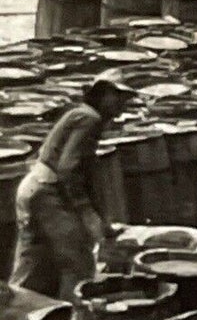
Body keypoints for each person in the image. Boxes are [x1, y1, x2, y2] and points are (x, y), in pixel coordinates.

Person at [11, 72, 136, 300]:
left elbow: (82, 175)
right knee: (79, 262)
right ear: (100, 95)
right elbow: (69, 170)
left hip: (32, 188)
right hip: (46, 192)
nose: (122, 104)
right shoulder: (89, 119)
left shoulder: (80, 115)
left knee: (33, 263)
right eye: (116, 96)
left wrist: (101, 221)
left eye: (125, 98)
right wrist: (86, 214)